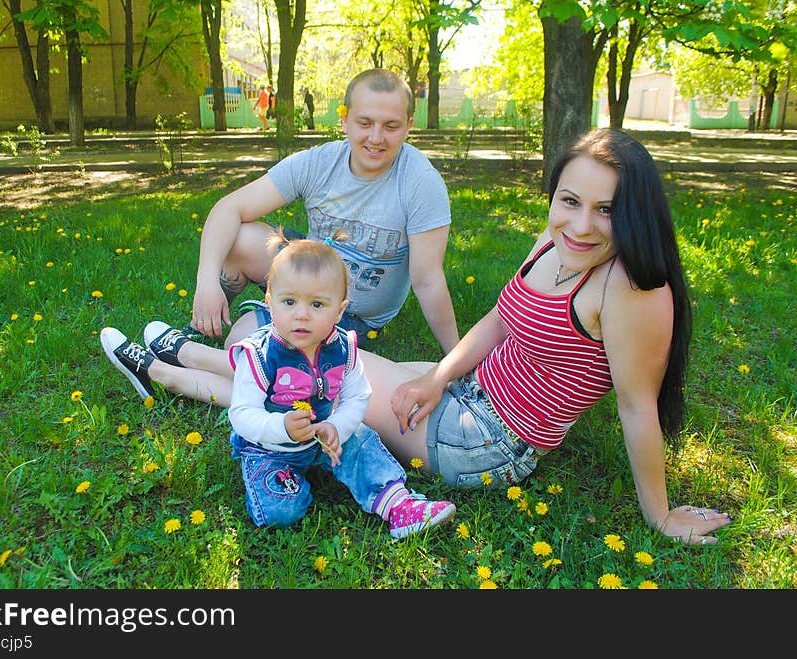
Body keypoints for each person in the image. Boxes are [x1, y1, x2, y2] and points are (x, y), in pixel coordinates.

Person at [349, 127, 733, 546]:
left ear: (635, 214)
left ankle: (270, 462)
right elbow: (500, 319)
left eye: (607, 210)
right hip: (469, 391)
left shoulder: (630, 288)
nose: (582, 226)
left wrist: (660, 515)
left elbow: (637, 405)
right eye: (570, 201)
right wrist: (438, 377)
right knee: (334, 377)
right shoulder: (554, 240)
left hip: (485, 441)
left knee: (333, 360)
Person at [103, 232, 456, 538]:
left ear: (340, 309)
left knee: (363, 441)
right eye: (289, 302)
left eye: (317, 304)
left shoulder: (342, 348)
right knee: (282, 512)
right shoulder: (259, 354)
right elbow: (241, 413)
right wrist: (281, 427)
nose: (301, 314)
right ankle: (280, 482)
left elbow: (357, 396)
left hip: (323, 436)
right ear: (269, 302)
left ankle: (399, 506)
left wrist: (337, 424)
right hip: (269, 446)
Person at [190, 67, 459, 355]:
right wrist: (206, 283)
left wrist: (456, 359)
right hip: (310, 271)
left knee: (243, 344)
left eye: (391, 126)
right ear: (345, 121)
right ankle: (207, 323)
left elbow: (428, 279)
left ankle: (188, 358)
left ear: (408, 126)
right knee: (239, 237)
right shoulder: (319, 162)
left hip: (353, 314)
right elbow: (228, 208)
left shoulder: (421, 183)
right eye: (364, 123)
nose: (376, 137)